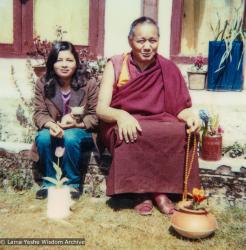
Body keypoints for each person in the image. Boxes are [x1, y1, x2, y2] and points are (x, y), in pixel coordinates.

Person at [96, 16, 200, 215]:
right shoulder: (117, 64)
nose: (147, 46)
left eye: (152, 41)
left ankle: (160, 190)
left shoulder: (167, 67)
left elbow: (180, 107)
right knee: (132, 132)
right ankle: (142, 193)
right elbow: (101, 109)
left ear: (158, 41)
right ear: (130, 41)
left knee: (180, 132)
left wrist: (190, 116)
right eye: (140, 40)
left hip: (158, 118)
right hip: (121, 119)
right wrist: (121, 115)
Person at [32, 41, 98, 200]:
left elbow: (95, 116)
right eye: (59, 60)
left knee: (70, 137)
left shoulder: (89, 83)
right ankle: (49, 183)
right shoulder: (43, 83)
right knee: (43, 137)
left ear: (76, 63)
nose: (64, 65)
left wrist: (76, 123)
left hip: (81, 130)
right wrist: (51, 124)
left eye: (69, 60)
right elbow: (39, 113)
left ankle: (72, 184)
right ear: (52, 63)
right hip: (53, 127)